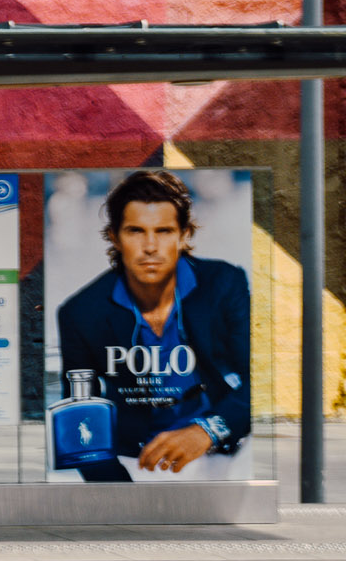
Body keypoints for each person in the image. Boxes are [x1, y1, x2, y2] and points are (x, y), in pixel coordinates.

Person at [55, 170, 252, 480]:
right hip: (136, 457)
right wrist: (119, 497)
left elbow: (257, 381)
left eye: (163, 231)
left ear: (184, 235)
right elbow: (81, 416)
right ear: (114, 238)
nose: (150, 246)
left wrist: (208, 431)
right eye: (136, 231)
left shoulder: (224, 284)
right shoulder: (80, 312)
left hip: (221, 444)